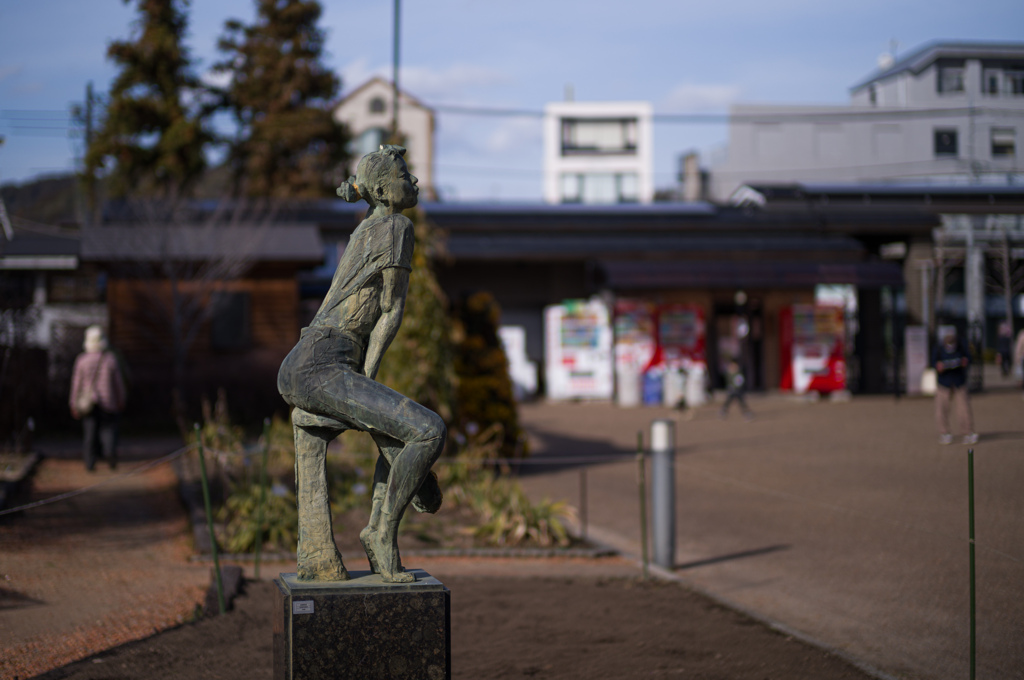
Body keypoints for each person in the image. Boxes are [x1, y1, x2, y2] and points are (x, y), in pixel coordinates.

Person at [277, 145, 445, 583]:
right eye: (406, 175)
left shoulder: (367, 226)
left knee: (393, 423)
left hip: (308, 359)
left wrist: (366, 396)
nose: (415, 183)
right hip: (324, 363)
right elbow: (390, 311)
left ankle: (332, 552)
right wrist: (366, 380)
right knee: (428, 430)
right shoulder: (396, 225)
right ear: (386, 191)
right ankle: (380, 533)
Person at [69, 325, 127, 470]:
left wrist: (73, 403)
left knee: (90, 433)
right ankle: (110, 455)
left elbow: (76, 384)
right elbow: (118, 382)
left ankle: (90, 462)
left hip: (88, 403)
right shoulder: (110, 359)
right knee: (108, 431)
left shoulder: (82, 360)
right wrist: (121, 399)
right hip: (109, 401)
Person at [931, 328, 977, 445]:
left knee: (963, 408)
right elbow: (933, 362)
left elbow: (969, 358)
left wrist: (964, 362)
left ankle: (968, 432)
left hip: (959, 381)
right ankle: (944, 433)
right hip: (943, 382)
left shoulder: (962, 345)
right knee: (941, 409)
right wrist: (938, 366)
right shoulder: (938, 348)